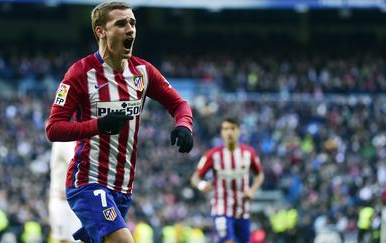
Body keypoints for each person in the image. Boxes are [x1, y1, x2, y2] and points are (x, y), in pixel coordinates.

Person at [45, 1, 194, 243]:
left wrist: (184, 124)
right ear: (101, 31)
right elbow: (53, 128)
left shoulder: (143, 72)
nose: (131, 29)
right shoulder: (80, 73)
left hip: (123, 188)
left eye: (133, 23)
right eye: (121, 23)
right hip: (87, 181)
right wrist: (99, 125)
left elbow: (180, 104)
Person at [191, 118, 264, 243]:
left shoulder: (249, 153)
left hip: (242, 211)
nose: (229, 132)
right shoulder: (212, 155)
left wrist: (252, 190)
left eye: (232, 128)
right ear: (221, 133)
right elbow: (195, 178)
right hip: (221, 209)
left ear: (239, 131)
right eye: (225, 129)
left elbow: (260, 175)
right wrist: (202, 185)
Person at [48, 141, 82, 243]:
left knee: (75, 240)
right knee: (64, 240)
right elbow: (76, 161)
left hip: (73, 200)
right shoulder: (62, 141)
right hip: (61, 200)